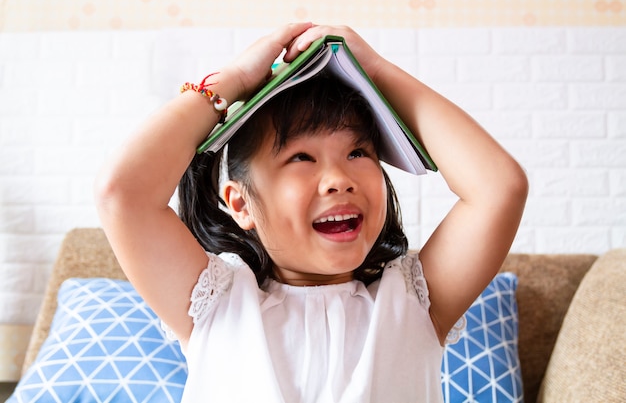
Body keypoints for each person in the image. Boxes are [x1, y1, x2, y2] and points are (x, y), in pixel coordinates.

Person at [94, 23, 528, 402]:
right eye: (302, 158)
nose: (339, 179)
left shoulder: (412, 303)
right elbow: (123, 194)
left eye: (358, 151)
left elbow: (499, 188)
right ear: (240, 203)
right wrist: (234, 81)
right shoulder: (217, 305)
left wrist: (376, 71)